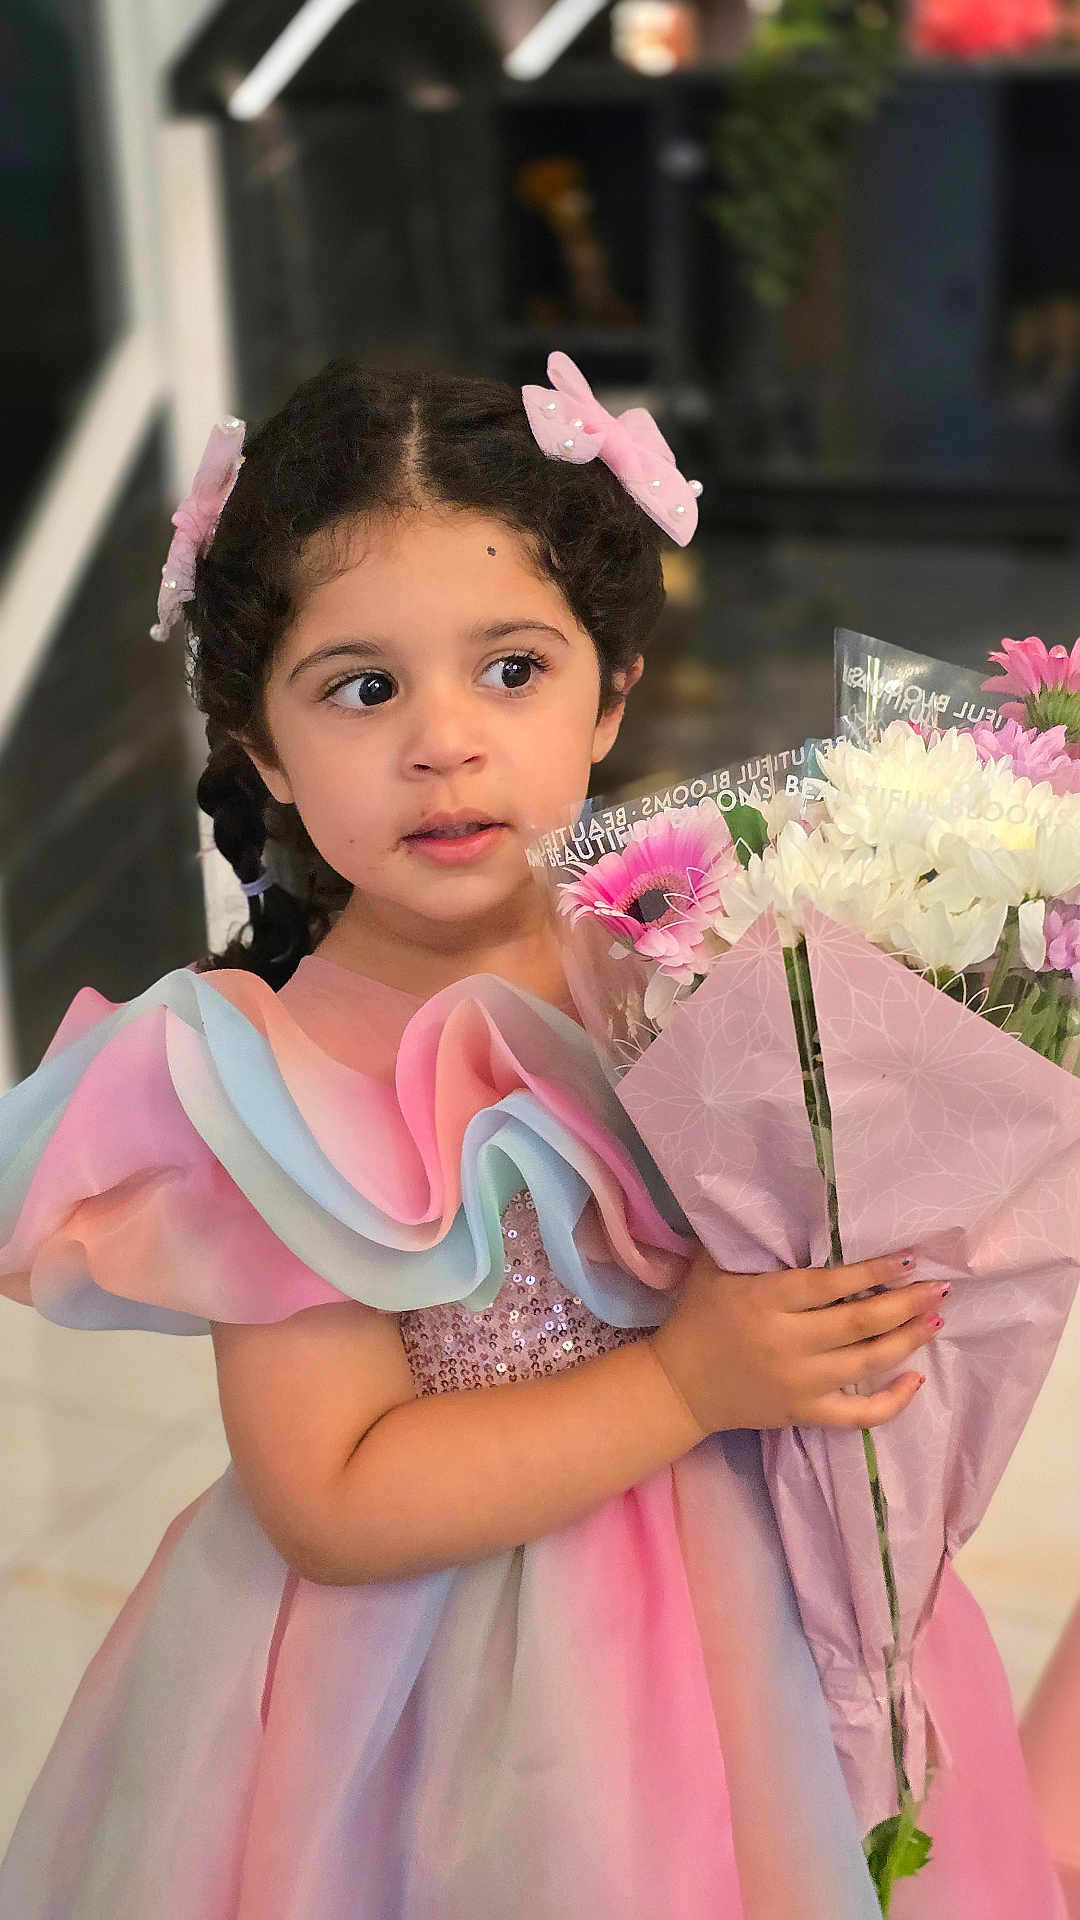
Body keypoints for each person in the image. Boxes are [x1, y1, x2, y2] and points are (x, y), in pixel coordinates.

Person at [0, 356, 1066, 1919]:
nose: (445, 740)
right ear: (265, 749)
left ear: (612, 687)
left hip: (767, 1621)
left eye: (511, 670)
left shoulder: (701, 955)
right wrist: (690, 1378)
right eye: (362, 688)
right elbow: (336, 1500)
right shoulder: (277, 1078)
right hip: (457, 1708)